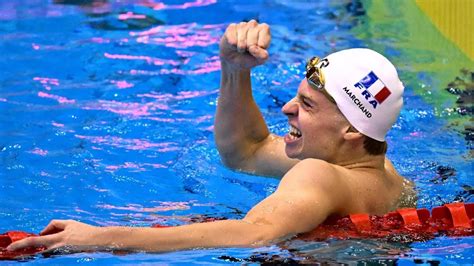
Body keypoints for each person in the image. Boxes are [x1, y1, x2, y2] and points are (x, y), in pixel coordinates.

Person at [7, 20, 415, 253]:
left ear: (350, 130)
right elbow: (246, 150)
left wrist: (98, 238)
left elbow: (253, 233)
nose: (287, 109)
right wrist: (234, 71)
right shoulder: (389, 179)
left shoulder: (318, 175)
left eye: (307, 106)